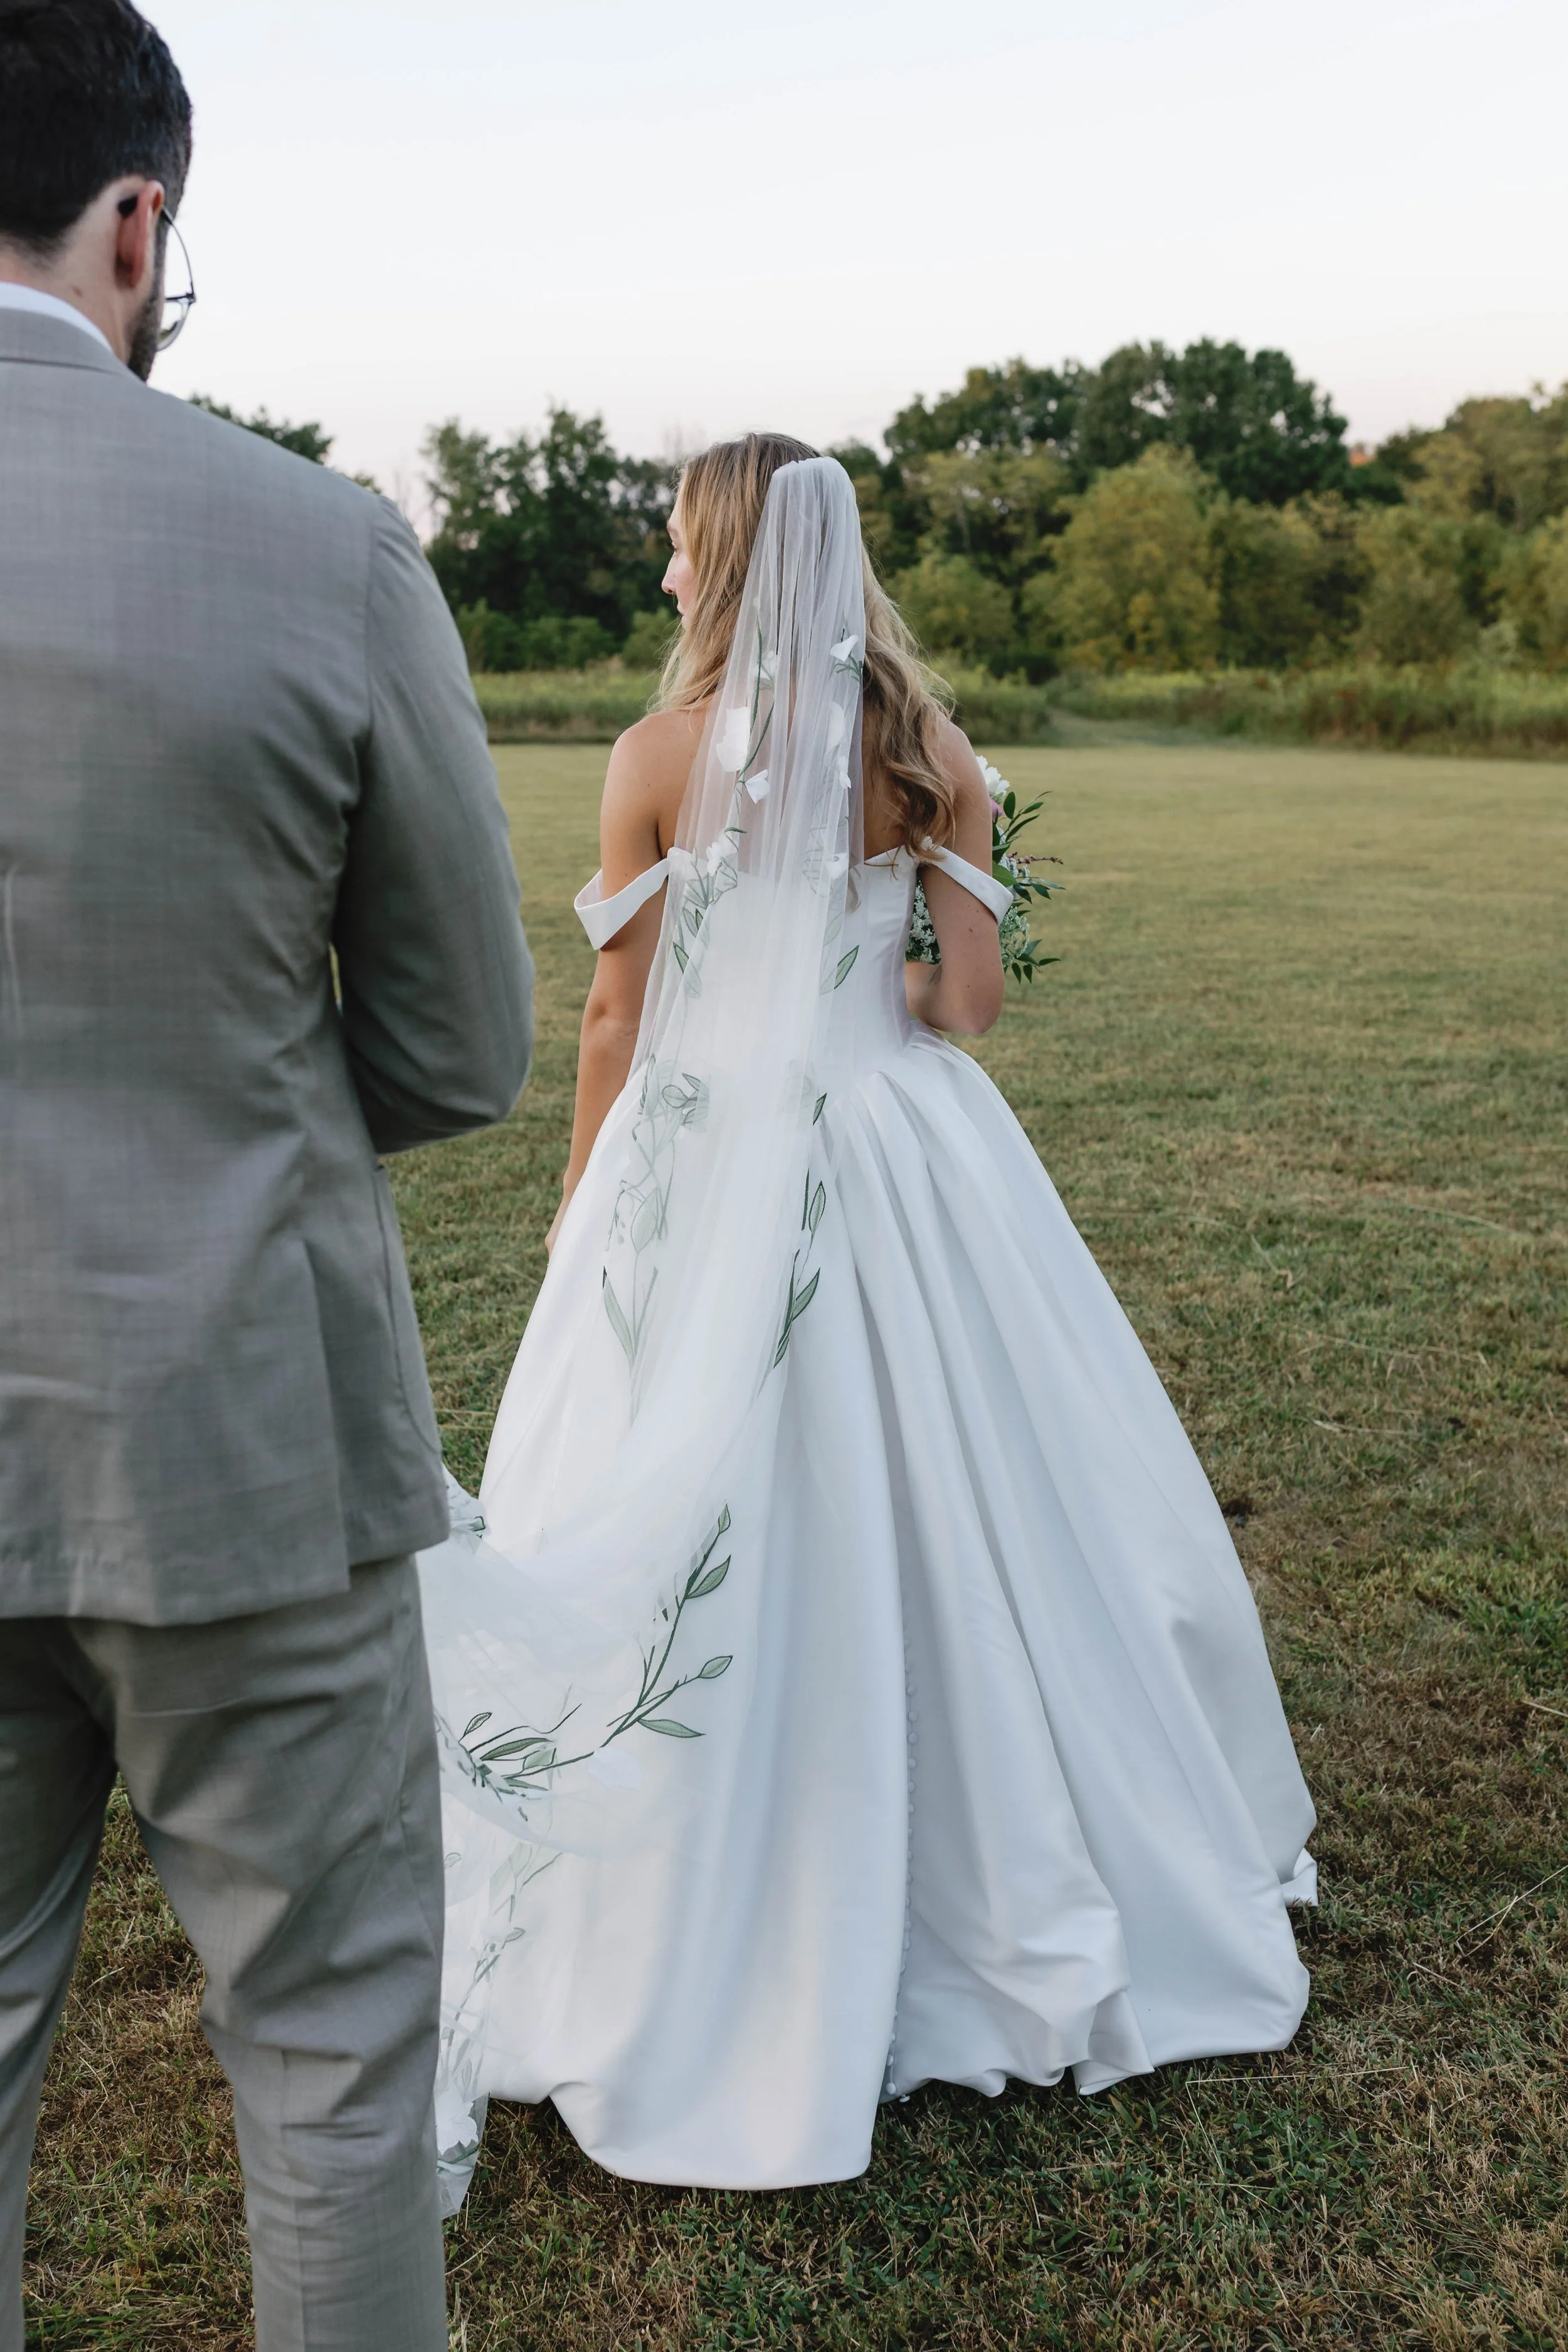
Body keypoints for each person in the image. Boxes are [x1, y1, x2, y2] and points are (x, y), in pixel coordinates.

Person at [419, 440, 1315, 2203]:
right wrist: (869, 965)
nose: (670, 578)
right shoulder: (936, 759)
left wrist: (587, 1200)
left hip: (703, 1149)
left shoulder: (653, 760)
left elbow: (615, 1021)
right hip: (906, 1148)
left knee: (687, 1483)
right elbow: (961, 1006)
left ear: (729, 557)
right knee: (973, 1481)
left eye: (682, 551)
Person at [0, 5, 532, 2348]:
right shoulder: (319, 549)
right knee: (324, 2061)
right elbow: (457, 1043)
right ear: (137, 225)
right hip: (242, 1439)